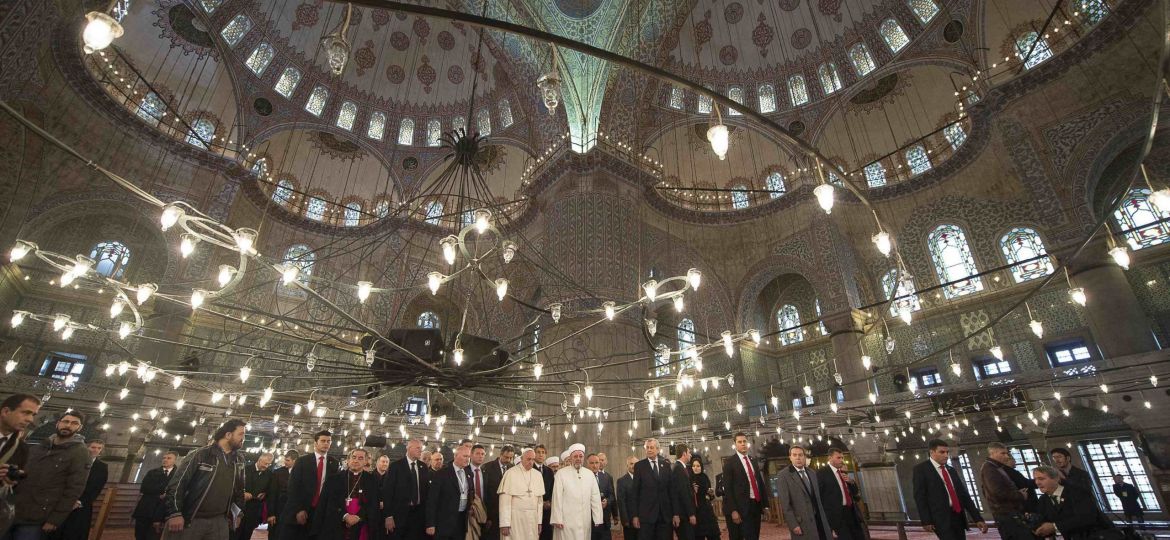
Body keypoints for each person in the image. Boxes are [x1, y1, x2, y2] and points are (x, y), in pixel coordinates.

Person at [7, 410, 90, 539]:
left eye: (74, 423)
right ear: (58, 423)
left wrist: (55, 519)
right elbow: (25, 471)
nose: (68, 425)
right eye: (65, 421)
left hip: (38, 516)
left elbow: (74, 489)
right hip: (13, 509)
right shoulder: (41, 446)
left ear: (80, 427)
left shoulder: (80, 453)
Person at [162, 419, 247, 539]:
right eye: (241, 434)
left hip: (219, 521)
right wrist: (174, 513)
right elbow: (177, 484)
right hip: (192, 518)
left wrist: (238, 514)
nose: (243, 438)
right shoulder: (200, 455)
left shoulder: (239, 460)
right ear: (228, 435)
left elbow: (239, 490)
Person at [912, 439, 987, 540]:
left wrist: (977, 518)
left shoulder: (951, 470)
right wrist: (926, 520)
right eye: (942, 452)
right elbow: (920, 497)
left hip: (958, 516)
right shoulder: (921, 470)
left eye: (947, 452)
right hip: (940, 519)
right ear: (932, 452)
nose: (946, 455)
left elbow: (964, 495)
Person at [280, 430, 340, 540]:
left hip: (321, 511)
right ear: (315, 443)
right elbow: (293, 487)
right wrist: (299, 509)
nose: (326, 443)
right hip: (303, 508)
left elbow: (334, 489)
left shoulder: (334, 463)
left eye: (328, 441)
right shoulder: (303, 461)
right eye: (323, 441)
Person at [1033, 466, 1118, 540]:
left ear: (1056, 479)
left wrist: (1055, 527)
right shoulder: (1043, 500)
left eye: (1041, 479)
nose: (1037, 482)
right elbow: (1044, 521)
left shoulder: (1077, 492)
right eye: (1035, 479)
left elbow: (1087, 518)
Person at [313, 448, 381, 540]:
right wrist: (345, 515)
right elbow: (328, 502)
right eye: (353, 457)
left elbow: (373, 503)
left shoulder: (372, 480)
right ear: (348, 460)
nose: (356, 460)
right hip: (337, 522)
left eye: (360, 458)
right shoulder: (333, 480)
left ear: (365, 462)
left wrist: (359, 516)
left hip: (362, 521)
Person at [0, 394, 41, 536]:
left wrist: (12, 480)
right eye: (26, 412)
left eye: (33, 415)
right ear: (6, 412)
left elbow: (14, 485)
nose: (30, 419)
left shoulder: (22, 448)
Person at [53, 439, 109, 540]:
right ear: (87, 447)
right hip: (63, 501)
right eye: (93, 447)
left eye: (99, 448)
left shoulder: (102, 467)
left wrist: (79, 502)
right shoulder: (74, 461)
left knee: (74, 533)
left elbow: (97, 488)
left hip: (82, 505)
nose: (96, 450)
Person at [979, 443, 1036, 540]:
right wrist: (1020, 495)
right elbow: (997, 492)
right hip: (1006, 514)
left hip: (1008, 513)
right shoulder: (990, 469)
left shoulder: (995, 467)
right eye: (1003, 453)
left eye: (1006, 453)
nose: (1006, 456)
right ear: (993, 453)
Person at [777, 444, 831, 540]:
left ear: (805, 457)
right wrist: (793, 524)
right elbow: (785, 505)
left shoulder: (812, 472)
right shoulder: (783, 475)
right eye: (795, 455)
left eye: (801, 455)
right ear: (790, 457)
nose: (798, 458)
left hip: (819, 520)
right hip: (802, 522)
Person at [550, 444, 603, 540]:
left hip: (584, 519)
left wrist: (597, 517)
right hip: (566, 520)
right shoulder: (561, 474)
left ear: (583, 458)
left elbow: (595, 497)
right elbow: (557, 497)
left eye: (581, 456)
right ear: (570, 458)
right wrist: (557, 519)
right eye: (575, 456)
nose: (578, 458)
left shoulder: (589, 474)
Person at [722, 432, 768, 540]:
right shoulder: (730, 463)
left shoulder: (753, 460)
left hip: (756, 504)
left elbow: (760, 483)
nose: (743, 444)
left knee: (755, 536)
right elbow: (728, 489)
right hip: (742, 507)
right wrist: (733, 510)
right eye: (740, 442)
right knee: (748, 536)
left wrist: (765, 505)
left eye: (744, 441)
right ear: (735, 444)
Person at [630, 438, 675, 540]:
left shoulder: (666, 465)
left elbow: (671, 491)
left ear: (658, 450)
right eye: (647, 448)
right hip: (646, 516)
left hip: (665, 516)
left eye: (652, 447)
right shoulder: (639, 466)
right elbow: (635, 493)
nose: (649, 450)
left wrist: (675, 513)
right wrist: (635, 516)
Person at [383, 439, 427, 540]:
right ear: (409, 448)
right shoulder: (395, 466)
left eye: (421, 448)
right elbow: (388, 492)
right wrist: (388, 516)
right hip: (399, 515)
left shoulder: (423, 467)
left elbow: (425, 492)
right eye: (418, 448)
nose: (421, 450)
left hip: (418, 515)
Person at [817, 447, 865, 540]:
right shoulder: (822, 473)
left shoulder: (842, 472)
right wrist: (828, 521)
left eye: (842, 458)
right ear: (830, 458)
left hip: (851, 512)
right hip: (837, 515)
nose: (842, 460)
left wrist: (851, 482)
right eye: (838, 458)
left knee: (858, 536)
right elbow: (820, 497)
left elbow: (854, 493)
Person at [426, 445, 472, 540]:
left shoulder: (468, 474)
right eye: (465, 456)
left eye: (468, 456)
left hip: (461, 520)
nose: (467, 459)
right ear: (455, 456)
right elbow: (432, 500)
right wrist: (430, 523)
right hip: (444, 522)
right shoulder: (442, 473)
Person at [498, 448, 545, 540]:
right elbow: (504, 502)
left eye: (533, 459)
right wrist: (504, 523)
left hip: (532, 519)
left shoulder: (538, 475)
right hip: (515, 519)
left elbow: (540, 502)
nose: (531, 462)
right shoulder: (510, 473)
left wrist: (539, 522)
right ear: (522, 459)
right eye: (528, 459)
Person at [133, 451, 176, 540]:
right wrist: (161, 493)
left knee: (154, 537)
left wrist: (165, 494)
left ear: (175, 460)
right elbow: (144, 488)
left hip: (162, 512)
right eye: (164, 458)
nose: (165, 460)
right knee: (140, 536)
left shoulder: (178, 475)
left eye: (169, 458)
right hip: (146, 509)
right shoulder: (152, 472)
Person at [236, 452, 273, 540]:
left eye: (269, 464)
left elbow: (270, 490)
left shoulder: (269, 474)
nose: (266, 466)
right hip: (240, 507)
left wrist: (265, 493)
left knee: (247, 534)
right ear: (259, 460)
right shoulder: (245, 469)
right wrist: (242, 494)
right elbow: (235, 486)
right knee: (235, 533)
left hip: (255, 509)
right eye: (265, 463)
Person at [483, 445, 514, 540]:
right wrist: (487, 516)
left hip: (507, 511)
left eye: (510, 457)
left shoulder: (513, 468)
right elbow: (485, 491)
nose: (508, 460)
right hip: (492, 511)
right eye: (506, 457)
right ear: (500, 454)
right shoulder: (487, 467)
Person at [266, 450, 298, 540]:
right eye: (285, 460)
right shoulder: (278, 472)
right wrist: (271, 514)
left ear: (295, 461)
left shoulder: (301, 473)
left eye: (287, 460)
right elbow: (272, 494)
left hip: (293, 514)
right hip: (277, 512)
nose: (285, 462)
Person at [670, 445, 697, 540]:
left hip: (683, 514)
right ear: (684, 454)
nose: (690, 455)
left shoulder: (680, 467)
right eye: (689, 453)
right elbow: (683, 494)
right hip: (683, 515)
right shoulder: (678, 468)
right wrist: (691, 514)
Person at [689, 458, 719, 540]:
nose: (696, 468)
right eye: (694, 466)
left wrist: (711, 493)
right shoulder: (689, 478)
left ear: (701, 467)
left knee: (714, 535)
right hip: (697, 512)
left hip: (707, 511)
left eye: (698, 466)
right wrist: (693, 491)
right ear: (691, 467)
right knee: (699, 536)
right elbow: (687, 497)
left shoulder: (705, 477)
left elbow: (710, 496)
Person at [587, 454, 615, 540]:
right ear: (587, 464)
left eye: (596, 463)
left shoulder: (606, 477)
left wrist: (607, 501)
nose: (595, 465)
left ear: (599, 464)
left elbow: (611, 495)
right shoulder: (583, 477)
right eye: (592, 463)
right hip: (589, 520)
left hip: (604, 519)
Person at [535, 447, 555, 540]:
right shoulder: (531, 468)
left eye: (543, 452)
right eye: (538, 452)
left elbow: (552, 489)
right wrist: (539, 503)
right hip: (533, 509)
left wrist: (550, 502)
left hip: (547, 510)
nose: (541, 454)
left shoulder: (549, 471)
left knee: (546, 535)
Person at [616, 457, 637, 540]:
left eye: (636, 464)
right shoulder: (622, 481)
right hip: (629, 520)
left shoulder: (643, 479)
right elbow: (621, 502)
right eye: (631, 464)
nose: (634, 466)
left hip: (643, 520)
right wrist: (625, 520)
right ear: (627, 465)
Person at [597, 454, 618, 527]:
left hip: (606, 514)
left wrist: (615, 515)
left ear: (606, 462)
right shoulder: (590, 474)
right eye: (598, 460)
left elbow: (612, 495)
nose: (600, 462)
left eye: (602, 460)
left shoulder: (609, 477)